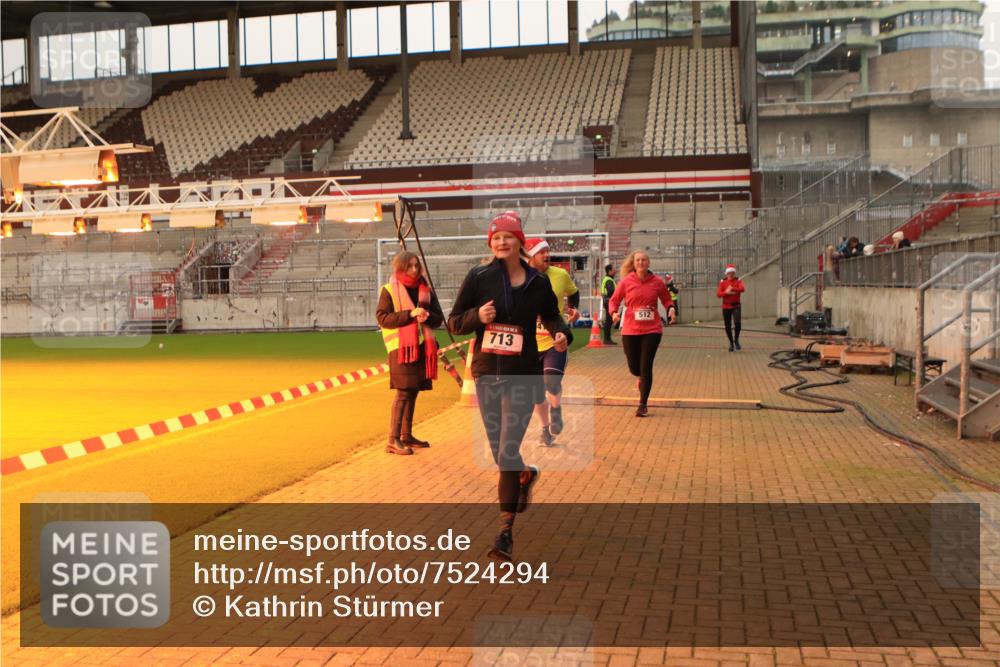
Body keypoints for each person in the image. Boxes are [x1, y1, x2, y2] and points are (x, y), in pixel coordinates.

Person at [448, 211, 571, 563]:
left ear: (520, 241)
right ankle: (524, 473)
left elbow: (552, 315)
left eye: (507, 236)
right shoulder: (479, 277)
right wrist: (477, 318)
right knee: (501, 453)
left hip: (522, 373)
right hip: (487, 374)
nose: (501, 242)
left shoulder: (538, 282)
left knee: (506, 448)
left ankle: (504, 533)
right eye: (495, 237)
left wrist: (562, 332)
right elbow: (455, 322)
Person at [376, 251, 445, 455]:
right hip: (401, 348)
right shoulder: (389, 290)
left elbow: (438, 318)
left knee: (413, 390)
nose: (414, 270)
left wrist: (427, 316)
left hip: (422, 346)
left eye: (416, 266)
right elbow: (383, 318)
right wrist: (410, 314)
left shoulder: (426, 289)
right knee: (404, 391)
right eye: (409, 266)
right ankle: (393, 439)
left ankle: (406, 435)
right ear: (400, 267)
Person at [524, 238, 580, 447]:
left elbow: (573, 292)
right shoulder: (520, 277)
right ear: (530, 256)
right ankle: (545, 430)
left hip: (554, 340)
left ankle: (556, 408)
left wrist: (573, 309)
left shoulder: (560, 275)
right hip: (529, 345)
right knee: (536, 392)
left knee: (551, 382)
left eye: (548, 251)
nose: (547, 255)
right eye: (541, 252)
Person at [609, 250, 676, 418]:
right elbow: (614, 300)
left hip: (652, 330)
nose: (641, 263)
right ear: (634, 263)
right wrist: (614, 313)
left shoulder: (657, 282)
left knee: (646, 366)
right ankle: (641, 378)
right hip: (630, 329)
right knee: (634, 367)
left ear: (648, 263)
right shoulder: (626, 282)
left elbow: (667, 299)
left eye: (644, 260)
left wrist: (671, 309)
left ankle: (642, 404)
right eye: (638, 260)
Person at [717, 264, 745, 352]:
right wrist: (726, 292)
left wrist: (733, 288)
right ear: (726, 273)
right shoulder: (723, 282)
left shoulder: (738, 281)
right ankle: (731, 343)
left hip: (736, 305)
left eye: (732, 273)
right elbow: (718, 294)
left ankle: (736, 340)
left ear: (734, 273)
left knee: (738, 324)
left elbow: (742, 289)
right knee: (727, 326)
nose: (731, 274)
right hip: (726, 306)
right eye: (729, 273)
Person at [601, 263, 617, 345]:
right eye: (614, 269)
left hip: (607, 301)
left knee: (609, 321)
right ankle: (606, 339)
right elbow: (612, 292)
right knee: (608, 321)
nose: (615, 271)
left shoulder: (608, 279)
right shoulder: (609, 280)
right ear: (609, 271)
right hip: (609, 301)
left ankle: (607, 339)